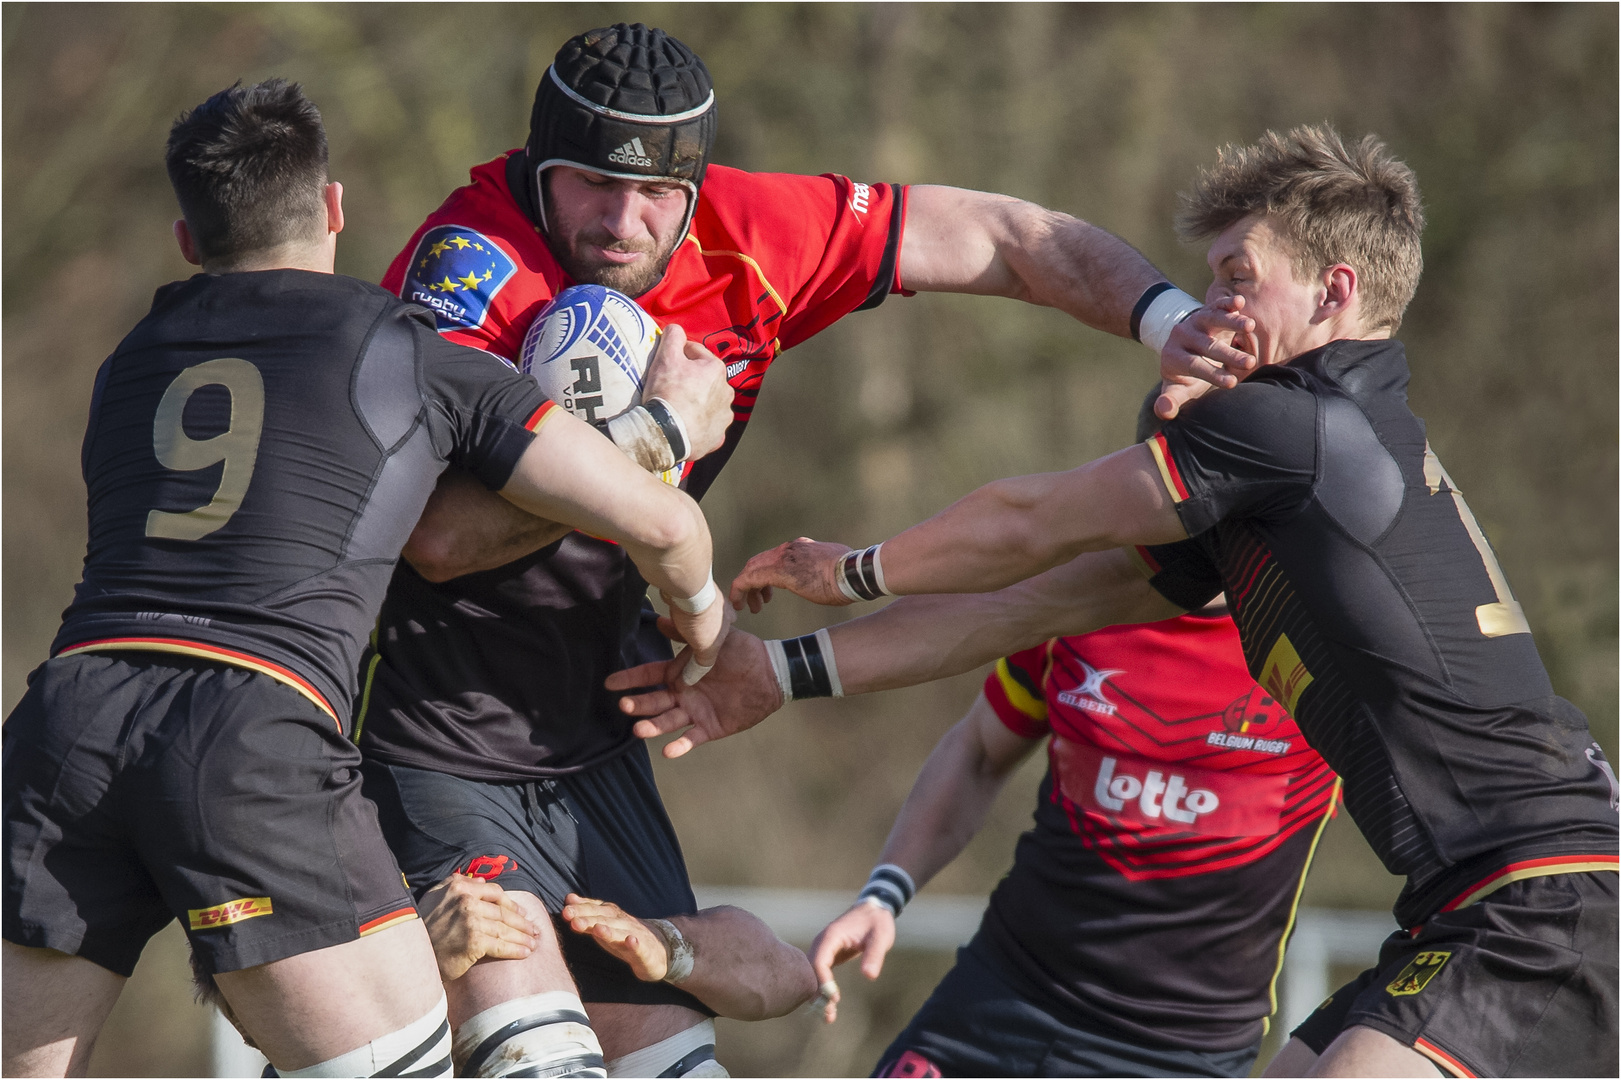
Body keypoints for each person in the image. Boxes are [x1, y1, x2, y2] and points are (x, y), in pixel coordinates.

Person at [618, 124, 1620, 1078]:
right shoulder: (1281, 492)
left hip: (1542, 904)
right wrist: (786, 673)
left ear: (1333, 293)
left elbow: (1029, 521)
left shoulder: (1290, 431)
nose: (1206, 309)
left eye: (1236, 280)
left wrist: (849, 571)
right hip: (1469, 906)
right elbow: (1023, 606)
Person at [355, 21, 1254, 1078]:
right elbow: (442, 538)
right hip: (431, 728)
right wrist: (657, 439)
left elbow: (1011, 237)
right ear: (537, 167)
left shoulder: (753, 234)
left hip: (596, 743)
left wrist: (1174, 324)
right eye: (593, 183)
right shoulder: (466, 266)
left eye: (655, 196)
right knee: (534, 1063)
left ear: (695, 191)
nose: (622, 221)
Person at [0, 79, 726, 1079]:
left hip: (63, 724)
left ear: (184, 239)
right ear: (335, 208)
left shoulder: (128, 361)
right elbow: (653, 520)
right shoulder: (404, 351)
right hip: (250, 732)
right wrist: (696, 578)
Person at [806, 398, 1342, 1078]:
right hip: (998, 996)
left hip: (1176, 1054)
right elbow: (975, 753)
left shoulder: (1329, 649)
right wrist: (883, 894)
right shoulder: (1078, 606)